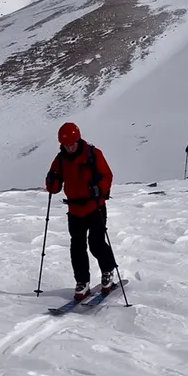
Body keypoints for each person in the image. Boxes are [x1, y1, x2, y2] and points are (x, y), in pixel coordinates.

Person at [45, 122, 117, 300]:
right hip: (74, 209)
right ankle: (82, 281)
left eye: (72, 144)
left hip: (95, 206)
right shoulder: (60, 159)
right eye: (66, 145)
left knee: (96, 243)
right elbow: (53, 186)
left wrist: (100, 189)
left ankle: (108, 270)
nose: (69, 148)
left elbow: (107, 175)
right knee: (77, 246)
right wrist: (52, 181)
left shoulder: (93, 154)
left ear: (78, 140)